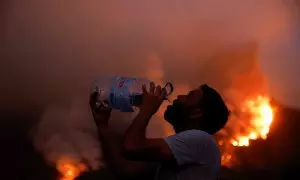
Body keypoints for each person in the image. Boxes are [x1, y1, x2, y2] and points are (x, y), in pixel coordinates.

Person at [89, 83, 230, 180]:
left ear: (197, 112)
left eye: (189, 96)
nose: (179, 97)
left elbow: (131, 147)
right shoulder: (178, 151)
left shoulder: (202, 140)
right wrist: (102, 125)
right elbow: (127, 170)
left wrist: (147, 109)